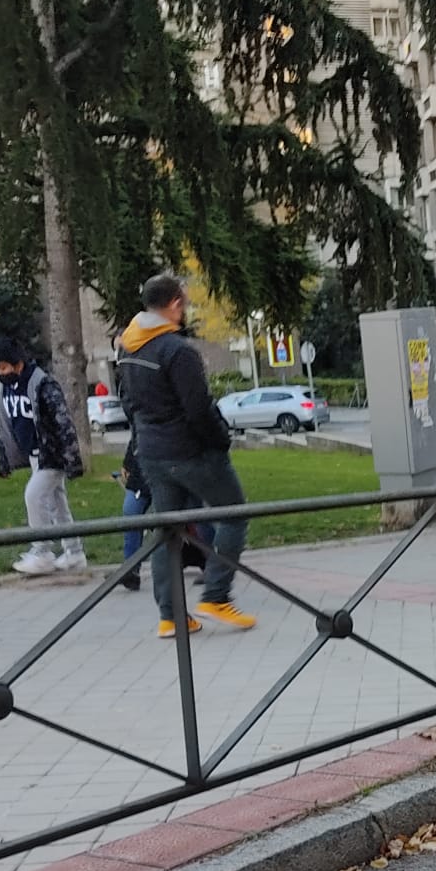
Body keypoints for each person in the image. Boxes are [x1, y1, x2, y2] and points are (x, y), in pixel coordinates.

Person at [115, 273, 255, 638]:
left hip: (151, 453)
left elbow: (128, 403)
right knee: (235, 515)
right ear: (175, 304)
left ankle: (171, 616)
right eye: (185, 302)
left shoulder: (127, 348)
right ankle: (216, 594)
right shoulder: (178, 351)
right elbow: (198, 409)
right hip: (191, 451)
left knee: (168, 529)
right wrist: (220, 440)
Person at [0, 337, 86, 576]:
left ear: (18, 364)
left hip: (50, 454)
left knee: (33, 496)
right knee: (56, 505)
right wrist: (3, 460)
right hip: (33, 455)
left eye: (3, 367)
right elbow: (1, 424)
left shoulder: (42, 384)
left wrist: (72, 459)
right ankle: (74, 553)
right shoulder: (5, 388)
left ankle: (42, 551)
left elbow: (63, 423)